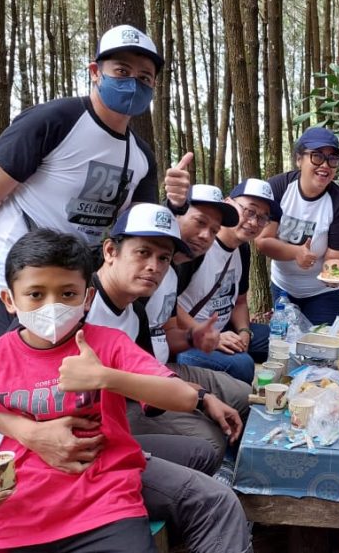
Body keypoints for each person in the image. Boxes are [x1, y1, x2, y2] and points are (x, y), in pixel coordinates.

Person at [0, 24, 192, 539]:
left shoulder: (139, 156)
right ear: (95, 72)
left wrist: (176, 204)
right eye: (120, 71)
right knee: (1, 390)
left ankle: (67, 516)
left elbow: (136, 232)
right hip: (1, 282)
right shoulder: (55, 121)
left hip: (67, 289)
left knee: (56, 395)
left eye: (144, 76)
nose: (132, 83)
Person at [0, 229, 199, 552]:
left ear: (87, 298)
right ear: (10, 300)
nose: (52, 306)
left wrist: (105, 377)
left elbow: (185, 397)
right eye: (36, 294)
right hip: (14, 516)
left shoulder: (108, 345)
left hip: (104, 506)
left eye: (68, 294)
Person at [86, 203, 249, 471]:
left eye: (163, 258)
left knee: (241, 397)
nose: (153, 267)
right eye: (143, 253)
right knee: (208, 442)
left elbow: (152, 374)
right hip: (97, 418)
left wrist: (204, 396)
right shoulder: (80, 304)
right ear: (110, 251)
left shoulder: (135, 312)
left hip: (134, 394)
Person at [175, 179, 282, 383]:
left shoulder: (242, 249)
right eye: (249, 211)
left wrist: (244, 331)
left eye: (262, 218)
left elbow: (240, 302)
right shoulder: (199, 246)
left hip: (223, 328)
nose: (253, 222)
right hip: (188, 334)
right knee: (243, 364)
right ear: (228, 203)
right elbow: (169, 305)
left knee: (280, 341)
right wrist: (207, 335)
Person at [256, 127, 339, 325]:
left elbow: (335, 257)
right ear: (299, 159)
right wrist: (297, 253)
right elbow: (263, 241)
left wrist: (334, 275)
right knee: (285, 341)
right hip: (283, 286)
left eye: (333, 159)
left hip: (325, 294)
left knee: (321, 343)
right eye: (317, 156)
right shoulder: (278, 188)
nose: (325, 165)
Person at [144, 184, 240, 365]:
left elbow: (167, 331)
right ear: (176, 215)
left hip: (160, 367)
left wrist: (194, 336)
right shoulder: (143, 269)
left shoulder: (173, 270)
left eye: (214, 231)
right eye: (200, 222)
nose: (205, 236)